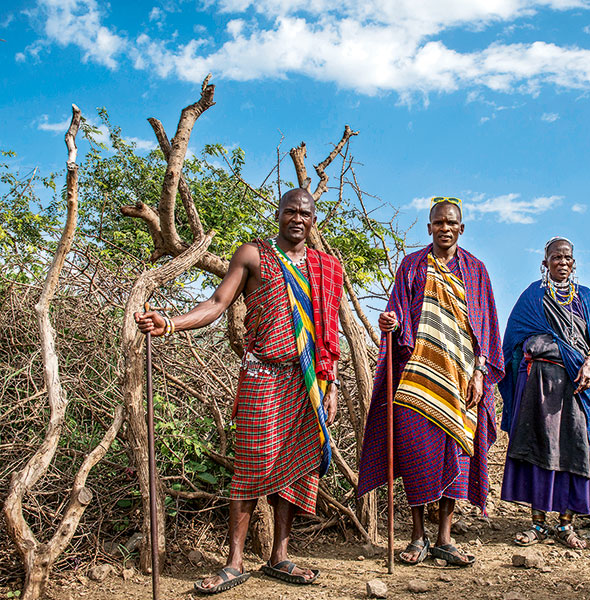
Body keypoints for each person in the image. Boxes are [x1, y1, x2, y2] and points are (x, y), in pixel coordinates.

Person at [135, 188, 343, 594]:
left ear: (313, 220)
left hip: (308, 382)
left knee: (296, 469)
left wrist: (330, 383)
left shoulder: (326, 267)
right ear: (278, 214)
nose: (297, 219)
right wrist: (172, 322)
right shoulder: (253, 254)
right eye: (290, 212)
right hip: (262, 375)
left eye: (305, 213)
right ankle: (233, 563)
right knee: (253, 463)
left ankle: (279, 556)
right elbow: (216, 302)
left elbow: (328, 334)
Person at [357, 197, 503, 568]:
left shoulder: (477, 271)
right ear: (429, 228)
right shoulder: (412, 265)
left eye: (451, 222)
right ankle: (417, 536)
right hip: (417, 377)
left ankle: (444, 538)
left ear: (461, 228)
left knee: (455, 455)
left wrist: (480, 372)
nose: (445, 228)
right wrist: (390, 323)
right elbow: (398, 311)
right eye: (438, 222)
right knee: (417, 455)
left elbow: (485, 327)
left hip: (460, 380)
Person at [500, 236, 590, 550]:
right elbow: (512, 340)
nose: (562, 262)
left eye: (567, 257)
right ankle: (538, 524)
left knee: (573, 448)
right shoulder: (534, 295)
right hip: (539, 385)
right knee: (541, 448)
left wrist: (589, 361)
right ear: (545, 263)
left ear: (574, 262)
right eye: (555, 257)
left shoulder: (584, 296)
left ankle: (566, 524)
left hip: (575, 385)